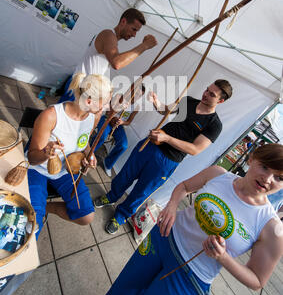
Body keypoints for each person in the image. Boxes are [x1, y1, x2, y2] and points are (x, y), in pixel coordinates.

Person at [86, 143, 283, 295]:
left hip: (190, 277)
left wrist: (223, 258)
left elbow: (257, 280)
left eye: (279, 177)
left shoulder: (272, 228)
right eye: (264, 166)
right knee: (121, 293)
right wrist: (172, 206)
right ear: (251, 159)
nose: (267, 179)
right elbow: (184, 187)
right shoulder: (218, 174)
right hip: (163, 239)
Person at [94, 79, 233, 234]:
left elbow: (195, 149)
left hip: (167, 161)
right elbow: (165, 110)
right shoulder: (188, 101)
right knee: (126, 174)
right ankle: (111, 196)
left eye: (211, 94)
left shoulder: (214, 124)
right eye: (207, 89)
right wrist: (156, 101)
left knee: (142, 191)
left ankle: (121, 216)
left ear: (220, 101)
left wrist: (167, 139)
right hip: (149, 144)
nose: (205, 94)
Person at [27, 73, 113, 237]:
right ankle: (37, 209)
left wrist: (89, 155)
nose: (106, 109)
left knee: (86, 216)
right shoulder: (51, 115)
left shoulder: (92, 117)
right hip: (38, 169)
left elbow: (84, 142)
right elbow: (32, 158)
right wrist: (46, 153)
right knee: (31, 226)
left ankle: (43, 207)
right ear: (88, 101)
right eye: (104, 104)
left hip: (64, 171)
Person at [58, 8, 157, 103]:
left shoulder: (112, 40)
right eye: (133, 29)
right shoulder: (108, 34)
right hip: (79, 91)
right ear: (123, 22)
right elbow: (117, 63)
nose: (134, 34)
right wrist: (144, 46)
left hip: (86, 91)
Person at [90, 84, 146, 177]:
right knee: (102, 135)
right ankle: (89, 153)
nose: (137, 97)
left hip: (118, 125)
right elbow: (108, 111)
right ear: (132, 91)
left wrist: (122, 122)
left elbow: (128, 122)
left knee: (123, 145)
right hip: (108, 119)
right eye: (136, 94)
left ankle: (107, 163)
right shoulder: (119, 96)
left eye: (140, 95)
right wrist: (119, 108)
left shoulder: (136, 107)